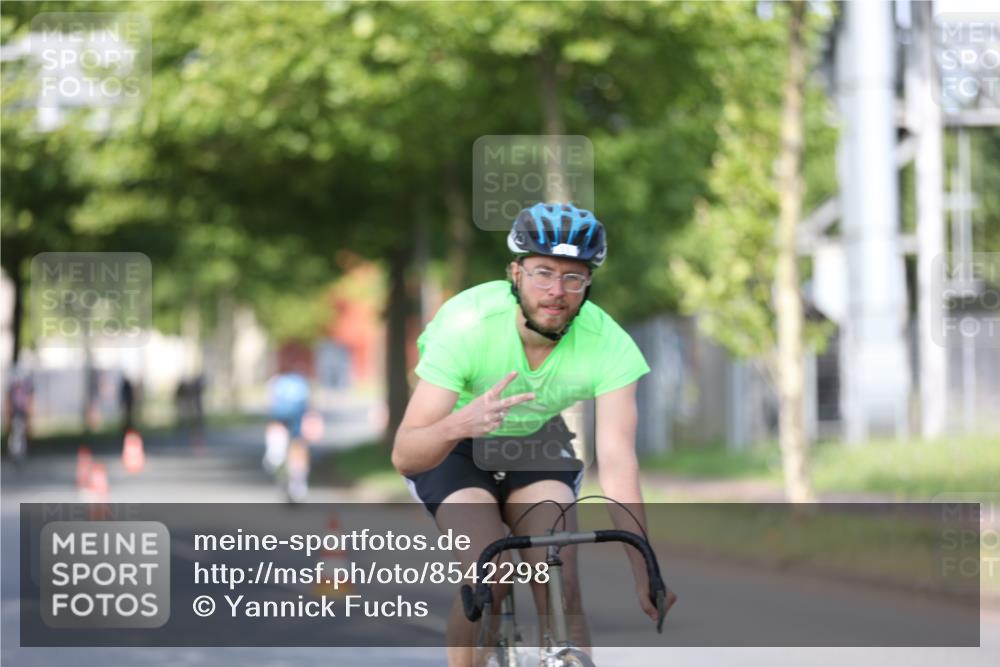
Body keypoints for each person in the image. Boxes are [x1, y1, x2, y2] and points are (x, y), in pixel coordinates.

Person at [392, 202, 676, 666]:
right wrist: (460, 423)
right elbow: (406, 453)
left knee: (559, 581)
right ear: (515, 274)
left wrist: (644, 564)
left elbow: (619, 460)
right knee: (491, 574)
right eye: (543, 272)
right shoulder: (468, 326)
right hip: (453, 444)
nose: (556, 291)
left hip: (536, 440)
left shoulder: (610, 345)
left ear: (588, 284)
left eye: (572, 277)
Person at [268, 367, 311, 502]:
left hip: (281, 415)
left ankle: (276, 452)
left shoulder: (277, 381)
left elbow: (272, 404)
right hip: (297, 414)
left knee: (277, 425)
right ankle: (298, 481)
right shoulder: (301, 381)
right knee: (298, 443)